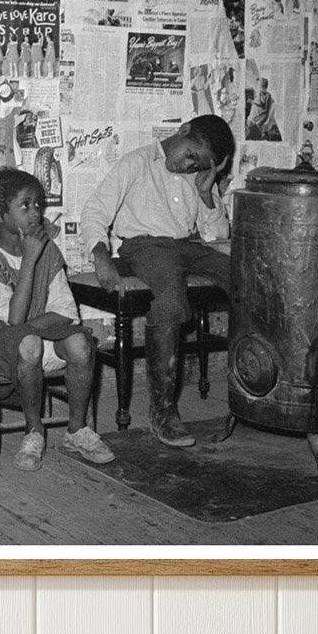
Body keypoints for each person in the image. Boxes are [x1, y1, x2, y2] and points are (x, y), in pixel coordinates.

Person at [80, 116, 234, 448]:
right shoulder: (136, 163)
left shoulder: (196, 178)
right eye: (190, 156)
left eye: (198, 165)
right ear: (182, 131)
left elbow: (217, 234)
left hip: (188, 247)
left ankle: (256, 390)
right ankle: (163, 411)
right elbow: (95, 211)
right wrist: (101, 257)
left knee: (245, 278)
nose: (188, 167)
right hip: (145, 247)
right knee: (170, 295)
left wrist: (205, 192)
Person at [0, 168, 116, 471]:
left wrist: (26, 327)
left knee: (80, 342)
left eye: (38, 204)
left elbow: (66, 312)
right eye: (25, 205)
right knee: (28, 342)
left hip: (40, 337)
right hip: (0, 349)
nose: (36, 212)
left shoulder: (49, 250)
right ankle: (34, 431)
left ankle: (77, 430)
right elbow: (14, 316)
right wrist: (29, 260)